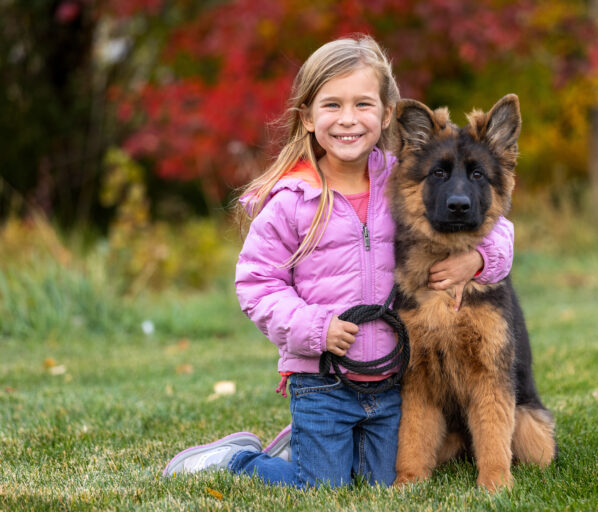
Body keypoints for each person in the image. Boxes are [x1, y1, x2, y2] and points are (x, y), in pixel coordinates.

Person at [162, 35, 515, 488]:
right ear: (307, 117)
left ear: (387, 114)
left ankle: (314, 444)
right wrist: (315, 329)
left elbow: (499, 224)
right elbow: (257, 285)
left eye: (363, 104)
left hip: (390, 380)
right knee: (322, 485)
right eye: (332, 105)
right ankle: (236, 460)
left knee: (383, 482)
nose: (348, 120)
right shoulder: (292, 200)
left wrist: (478, 260)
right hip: (322, 377)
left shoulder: (404, 176)